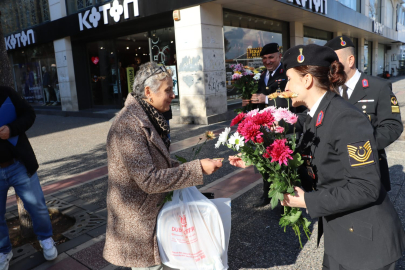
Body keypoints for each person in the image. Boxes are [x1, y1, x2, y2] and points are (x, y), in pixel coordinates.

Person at [278, 44, 405, 269]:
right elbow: (316, 168)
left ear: (307, 80)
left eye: (289, 79)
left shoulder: (345, 117)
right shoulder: (315, 116)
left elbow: (366, 187)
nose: (286, 87)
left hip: (367, 244)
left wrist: (308, 201)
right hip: (342, 234)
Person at [102, 62, 222, 269]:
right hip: (138, 222)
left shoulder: (147, 115)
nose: (173, 94)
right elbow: (149, 180)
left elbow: (158, 162)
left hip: (149, 212)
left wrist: (197, 165)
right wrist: (197, 168)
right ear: (148, 92)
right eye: (168, 90)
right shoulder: (129, 125)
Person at [324, 35, 403, 192]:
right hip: (336, 172)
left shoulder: (378, 87)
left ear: (350, 60)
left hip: (369, 167)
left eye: (333, 60)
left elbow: (392, 126)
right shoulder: (328, 89)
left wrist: (362, 147)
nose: (330, 65)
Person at [0, 86, 58, 270]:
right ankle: (3, 250)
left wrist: (11, 129)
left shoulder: (5, 93)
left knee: (37, 206)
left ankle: (46, 239)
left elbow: (29, 114)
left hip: (18, 164)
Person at [250, 43, 289, 110]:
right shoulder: (261, 74)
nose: (267, 62)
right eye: (264, 58)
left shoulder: (288, 73)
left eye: (271, 57)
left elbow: (294, 98)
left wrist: (267, 99)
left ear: (279, 57)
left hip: (281, 118)